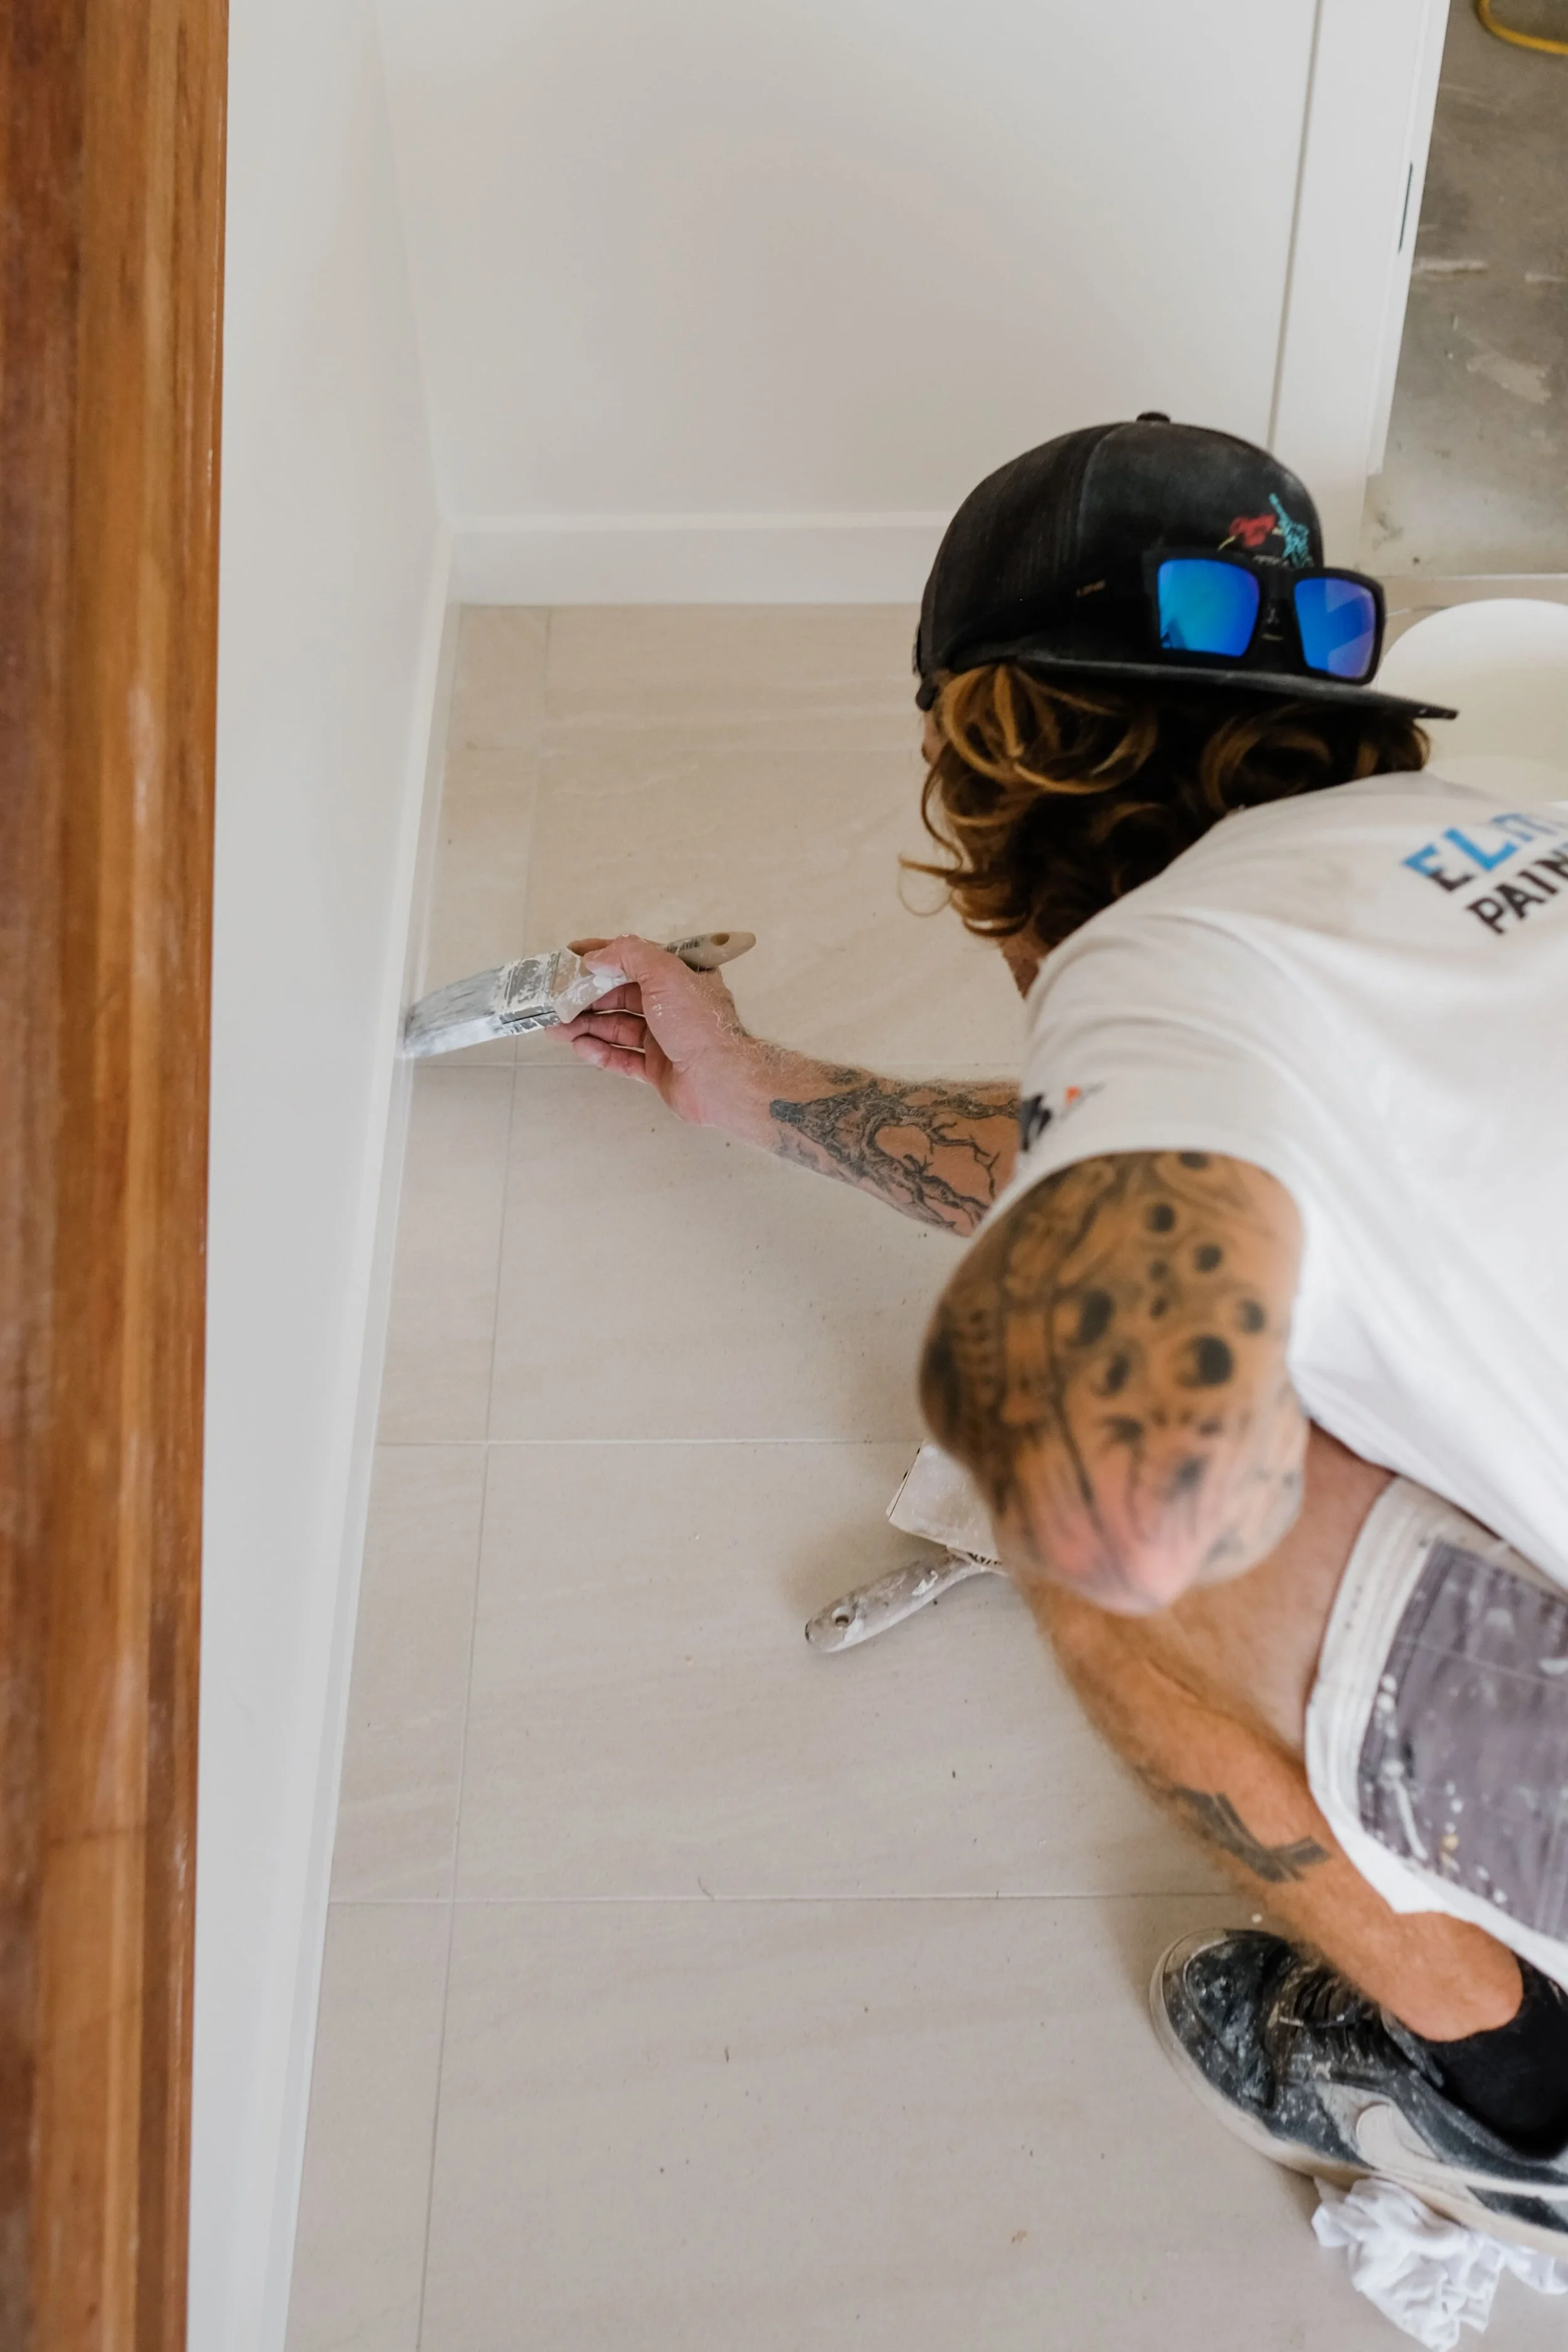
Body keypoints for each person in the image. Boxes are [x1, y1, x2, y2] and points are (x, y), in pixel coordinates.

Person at [557, 416, 1568, 2249]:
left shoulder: (1160, 965)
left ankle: (1518, 2110)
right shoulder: (1493, 833)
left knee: (1106, 1529)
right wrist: (765, 1093)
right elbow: (1185, 1138)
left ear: (980, 748)